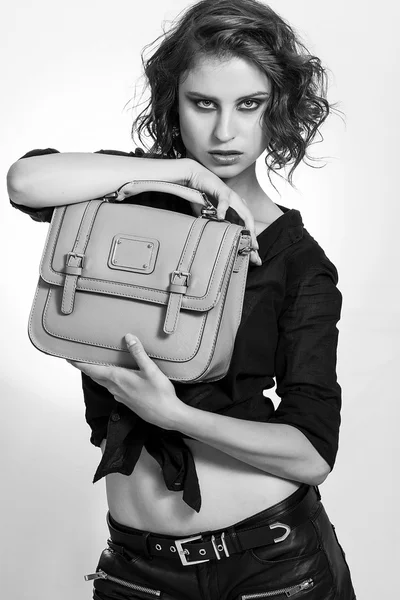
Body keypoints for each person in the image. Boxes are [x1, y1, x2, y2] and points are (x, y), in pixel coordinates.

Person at [7, 0, 356, 598]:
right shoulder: (132, 195)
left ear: (280, 111)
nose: (225, 132)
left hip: (271, 566)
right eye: (204, 103)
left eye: (250, 104)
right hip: (135, 569)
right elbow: (24, 181)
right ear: (174, 103)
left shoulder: (298, 262)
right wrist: (186, 177)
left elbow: (312, 453)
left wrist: (175, 416)